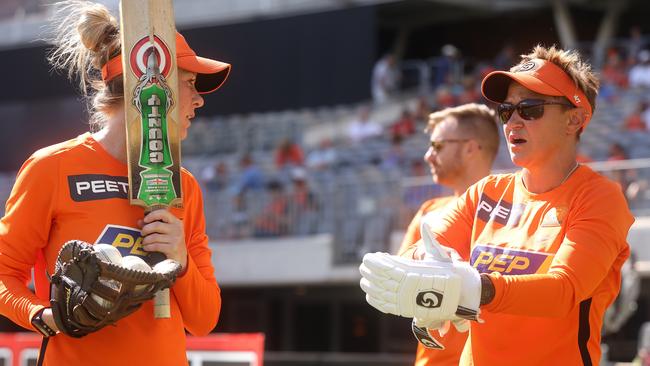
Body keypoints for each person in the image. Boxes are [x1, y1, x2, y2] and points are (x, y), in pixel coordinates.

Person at [360, 45, 634, 365]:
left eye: (530, 109)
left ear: (574, 119)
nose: (513, 121)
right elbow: (421, 250)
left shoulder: (599, 197)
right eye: (506, 111)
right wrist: (430, 268)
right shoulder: (487, 192)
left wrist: (477, 288)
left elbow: (565, 290)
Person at [0, 1, 231, 365]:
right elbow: (3, 274)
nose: (199, 100)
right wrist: (45, 316)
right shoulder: (52, 168)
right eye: (189, 83)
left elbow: (205, 320)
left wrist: (180, 261)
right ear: (152, 84)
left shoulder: (183, 186)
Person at [396, 103, 499, 366]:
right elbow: (398, 286)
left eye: (438, 146)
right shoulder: (428, 212)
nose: (428, 155)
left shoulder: (517, 212)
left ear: (470, 148)